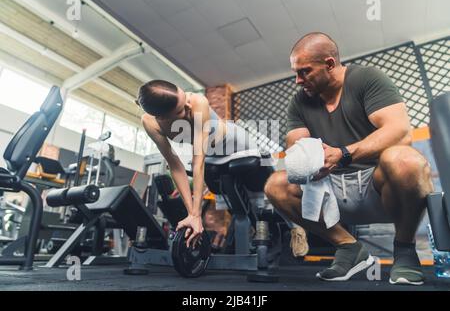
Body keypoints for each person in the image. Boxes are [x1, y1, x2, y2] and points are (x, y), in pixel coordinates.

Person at [264, 32, 434, 285]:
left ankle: (405, 249)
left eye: (305, 72)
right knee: (275, 185)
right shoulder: (300, 101)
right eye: (295, 73)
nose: (298, 81)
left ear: (330, 64)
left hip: (377, 187)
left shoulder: (366, 79)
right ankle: (348, 247)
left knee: (405, 159)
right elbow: (296, 143)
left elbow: (400, 131)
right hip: (328, 191)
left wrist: (343, 154)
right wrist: (309, 158)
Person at [136, 80, 256, 248]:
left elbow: (198, 162)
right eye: (180, 110)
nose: (188, 106)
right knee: (231, 199)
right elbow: (175, 165)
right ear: (162, 117)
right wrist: (191, 213)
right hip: (212, 155)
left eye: (185, 98)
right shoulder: (150, 123)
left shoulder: (198, 101)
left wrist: (196, 214)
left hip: (235, 143)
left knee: (258, 190)